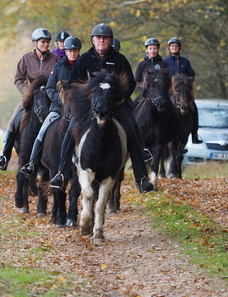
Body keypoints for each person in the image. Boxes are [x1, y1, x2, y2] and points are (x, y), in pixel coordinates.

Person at [49, 23, 154, 193]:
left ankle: (141, 177)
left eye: (105, 38)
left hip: (115, 105)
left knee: (132, 128)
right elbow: (74, 84)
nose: (102, 40)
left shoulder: (120, 60)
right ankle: (61, 173)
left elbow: (130, 84)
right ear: (93, 40)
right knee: (70, 129)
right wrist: (85, 102)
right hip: (89, 108)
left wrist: (118, 99)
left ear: (110, 41)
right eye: (98, 38)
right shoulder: (84, 60)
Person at [0, 28, 60, 170]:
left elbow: (59, 79)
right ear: (35, 43)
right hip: (30, 98)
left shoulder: (55, 59)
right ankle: (4, 155)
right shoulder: (26, 59)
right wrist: (27, 92)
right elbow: (18, 79)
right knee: (13, 121)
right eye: (43, 42)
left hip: (49, 99)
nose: (46, 45)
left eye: (47, 42)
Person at [20, 35, 82, 179]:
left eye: (75, 51)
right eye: (69, 51)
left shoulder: (83, 66)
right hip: (58, 109)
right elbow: (49, 88)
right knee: (42, 131)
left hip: (79, 110)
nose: (72, 53)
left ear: (78, 51)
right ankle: (32, 163)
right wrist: (63, 101)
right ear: (65, 51)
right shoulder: (58, 67)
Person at [164, 37, 202, 144]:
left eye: (176, 46)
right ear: (169, 48)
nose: (174, 48)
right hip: (170, 91)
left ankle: (195, 134)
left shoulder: (185, 61)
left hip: (184, 91)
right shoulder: (165, 62)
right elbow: (162, 76)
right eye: (172, 46)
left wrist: (187, 81)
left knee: (194, 107)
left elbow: (192, 75)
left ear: (179, 48)